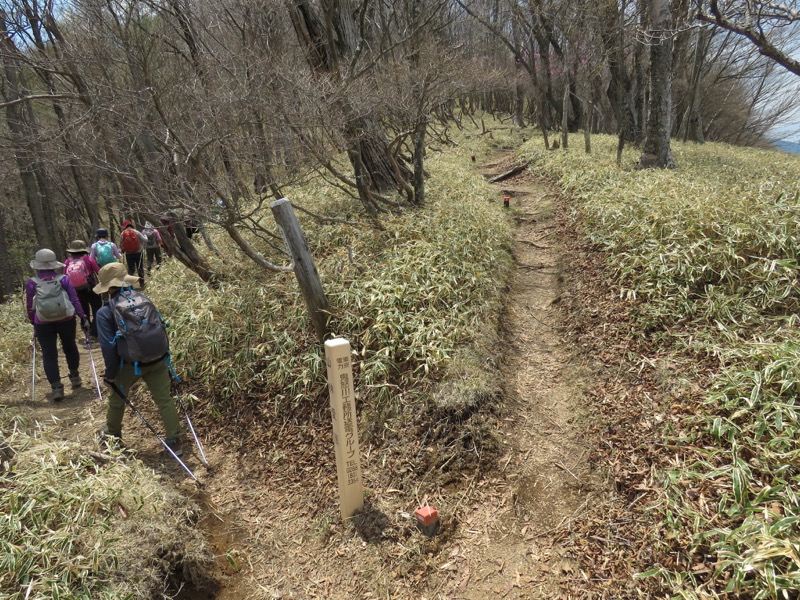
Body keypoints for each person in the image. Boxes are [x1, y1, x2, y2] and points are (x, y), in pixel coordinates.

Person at [93, 262, 182, 455]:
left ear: (108, 288)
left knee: (117, 400)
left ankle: (112, 437)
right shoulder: (144, 299)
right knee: (164, 400)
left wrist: (110, 376)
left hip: (129, 364)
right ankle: (174, 440)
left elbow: (108, 348)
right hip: (158, 358)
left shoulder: (104, 312)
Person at [25, 249, 89, 402]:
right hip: (66, 319)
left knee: (49, 354)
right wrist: (83, 316)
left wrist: (33, 320)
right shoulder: (64, 279)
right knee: (70, 347)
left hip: (43, 322)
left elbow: (30, 305)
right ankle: (74, 376)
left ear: (37, 265)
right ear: (54, 264)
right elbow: (74, 299)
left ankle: (56, 387)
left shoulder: (32, 283)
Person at [64, 240, 102, 338]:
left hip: (76, 290)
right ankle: (96, 330)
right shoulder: (89, 260)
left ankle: (87, 331)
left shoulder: (68, 262)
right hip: (92, 287)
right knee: (97, 308)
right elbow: (99, 271)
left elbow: (65, 277)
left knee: (83, 310)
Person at [119, 219, 147, 284]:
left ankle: (129, 283)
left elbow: (120, 244)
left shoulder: (123, 233)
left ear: (124, 226)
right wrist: (145, 236)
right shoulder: (136, 232)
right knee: (139, 267)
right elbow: (145, 240)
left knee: (131, 269)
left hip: (128, 254)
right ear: (131, 225)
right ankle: (142, 282)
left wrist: (123, 250)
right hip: (138, 252)